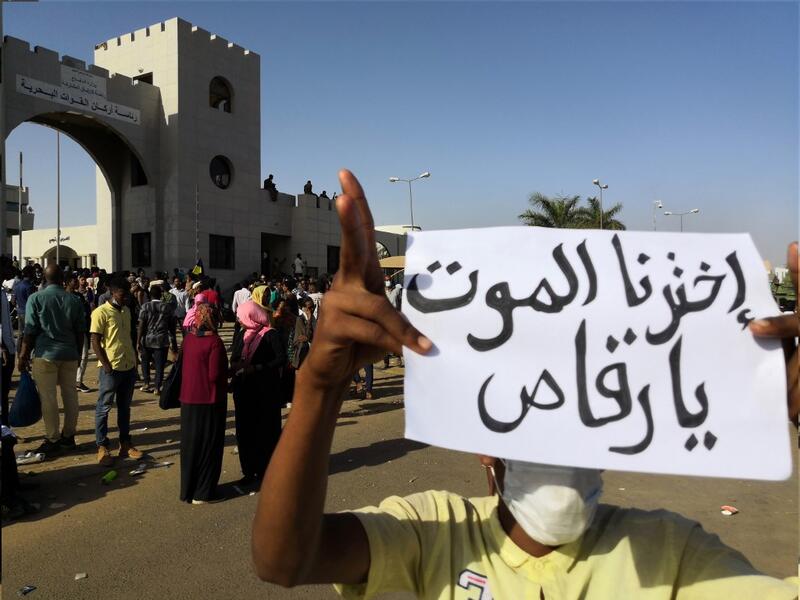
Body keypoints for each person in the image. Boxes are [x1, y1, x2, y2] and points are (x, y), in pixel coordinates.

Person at [251, 171, 800, 598]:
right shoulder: (435, 533)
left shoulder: (671, 556)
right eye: (534, 406)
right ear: (484, 439)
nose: (557, 437)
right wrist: (318, 389)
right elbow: (282, 560)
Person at [17, 265, 85, 457]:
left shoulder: (36, 298)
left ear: (44, 279)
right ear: (62, 279)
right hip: (69, 354)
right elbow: (81, 330)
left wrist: (23, 355)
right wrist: (78, 354)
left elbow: (29, 331)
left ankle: (53, 438)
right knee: (70, 395)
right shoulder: (73, 299)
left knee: (48, 398)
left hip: (45, 354)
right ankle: (69, 436)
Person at [230, 286, 286, 485]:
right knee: (245, 432)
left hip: (265, 392)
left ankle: (267, 471)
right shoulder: (242, 335)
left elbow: (280, 359)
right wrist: (236, 365)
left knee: (265, 432)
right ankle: (248, 471)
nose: (239, 320)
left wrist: (258, 367)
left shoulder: (270, 335)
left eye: (241, 316)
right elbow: (234, 357)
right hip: (244, 391)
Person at [179, 303, 229, 504]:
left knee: (190, 446)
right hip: (209, 399)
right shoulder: (214, 342)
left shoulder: (189, 339)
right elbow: (215, 374)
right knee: (209, 446)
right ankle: (203, 492)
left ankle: (188, 490)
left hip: (188, 399)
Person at [91, 277, 143, 466]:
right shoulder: (100, 312)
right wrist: (105, 364)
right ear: (113, 292)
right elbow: (95, 341)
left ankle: (125, 443)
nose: (126, 296)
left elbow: (129, 336)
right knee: (104, 407)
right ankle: (102, 445)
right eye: (122, 293)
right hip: (110, 368)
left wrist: (135, 360)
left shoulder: (127, 311)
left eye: (127, 293)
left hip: (128, 366)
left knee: (124, 407)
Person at [137, 284, 178, 394]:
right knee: (160, 364)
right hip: (161, 340)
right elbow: (171, 327)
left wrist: (138, 341)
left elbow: (141, 325)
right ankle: (157, 387)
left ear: (150, 295)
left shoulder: (145, 307)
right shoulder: (167, 307)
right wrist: (173, 342)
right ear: (161, 295)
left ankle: (146, 383)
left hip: (147, 339)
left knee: (145, 362)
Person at [69, 273, 94, 392]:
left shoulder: (79, 296)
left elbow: (86, 311)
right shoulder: (63, 297)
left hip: (81, 330)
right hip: (68, 332)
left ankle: (78, 380)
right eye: (75, 280)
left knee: (83, 355)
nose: (78, 283)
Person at [291, 297, 315, 370]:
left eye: (313, 307)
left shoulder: (314, 318)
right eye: (309, 308)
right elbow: (307, 336)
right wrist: (309, 321)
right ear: (303, 308)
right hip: (303, 354)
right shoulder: (300, 319)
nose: (311, 310)